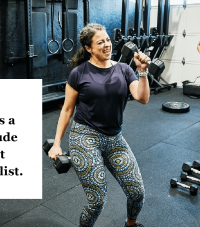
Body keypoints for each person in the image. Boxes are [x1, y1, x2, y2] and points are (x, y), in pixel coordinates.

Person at [48, 23, 149, 227]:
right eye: (100, 42)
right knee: (97, 200)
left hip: (114, 138)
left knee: (137, 192)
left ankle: (131, 224)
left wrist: (142, 72)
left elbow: (142, 97)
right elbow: (67, 110)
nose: (106, 45)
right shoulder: (79, 73)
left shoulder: (124, 69)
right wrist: (57, 143)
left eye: (108, 40)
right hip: (85, 137)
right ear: (88, 48)